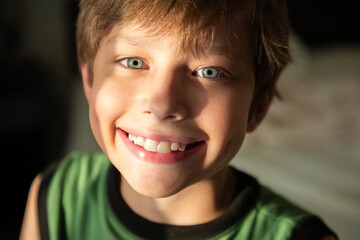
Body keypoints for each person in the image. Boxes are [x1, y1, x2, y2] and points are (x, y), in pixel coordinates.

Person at [20, 0, 338, 239]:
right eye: (133, 62)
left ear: (258, 108)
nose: (162, 104)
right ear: (90, 80)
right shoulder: (56, 194)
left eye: (209, 72)